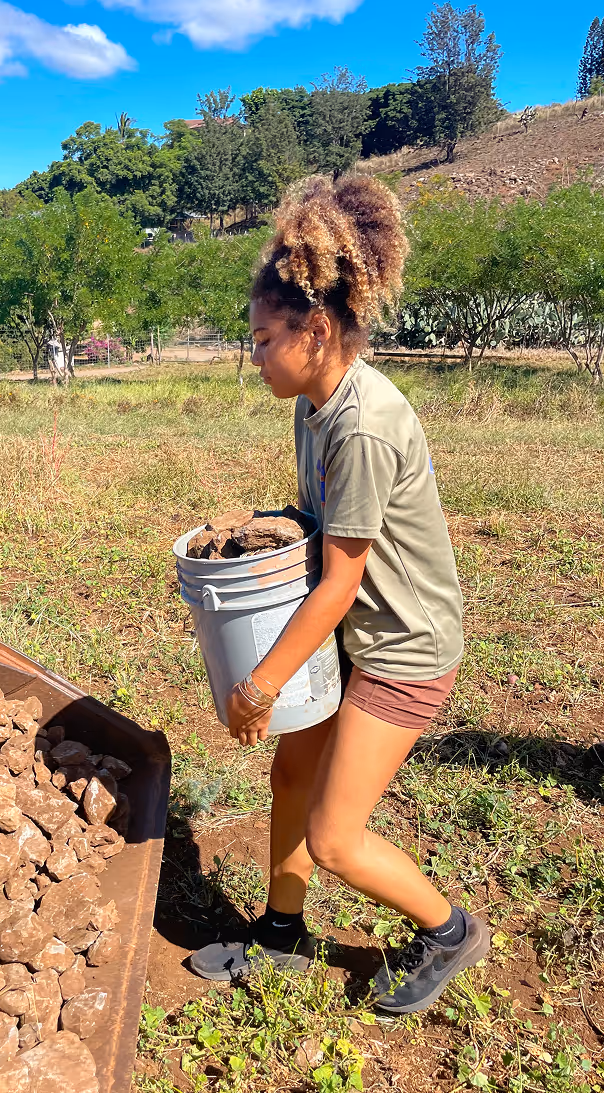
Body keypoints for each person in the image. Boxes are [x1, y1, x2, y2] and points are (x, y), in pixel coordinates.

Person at [189, 176, 490, 1014]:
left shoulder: (360, 422)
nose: (253, 355)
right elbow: (326, 526)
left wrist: (258, 685)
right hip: (359, 635)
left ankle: (451, 930)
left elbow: (340, 582)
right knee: (292, 773)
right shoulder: (315, 402)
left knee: (333, 835)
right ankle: (281, 938)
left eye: (261, 339)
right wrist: (266, 519)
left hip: (403, 649)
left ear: (315, 330)